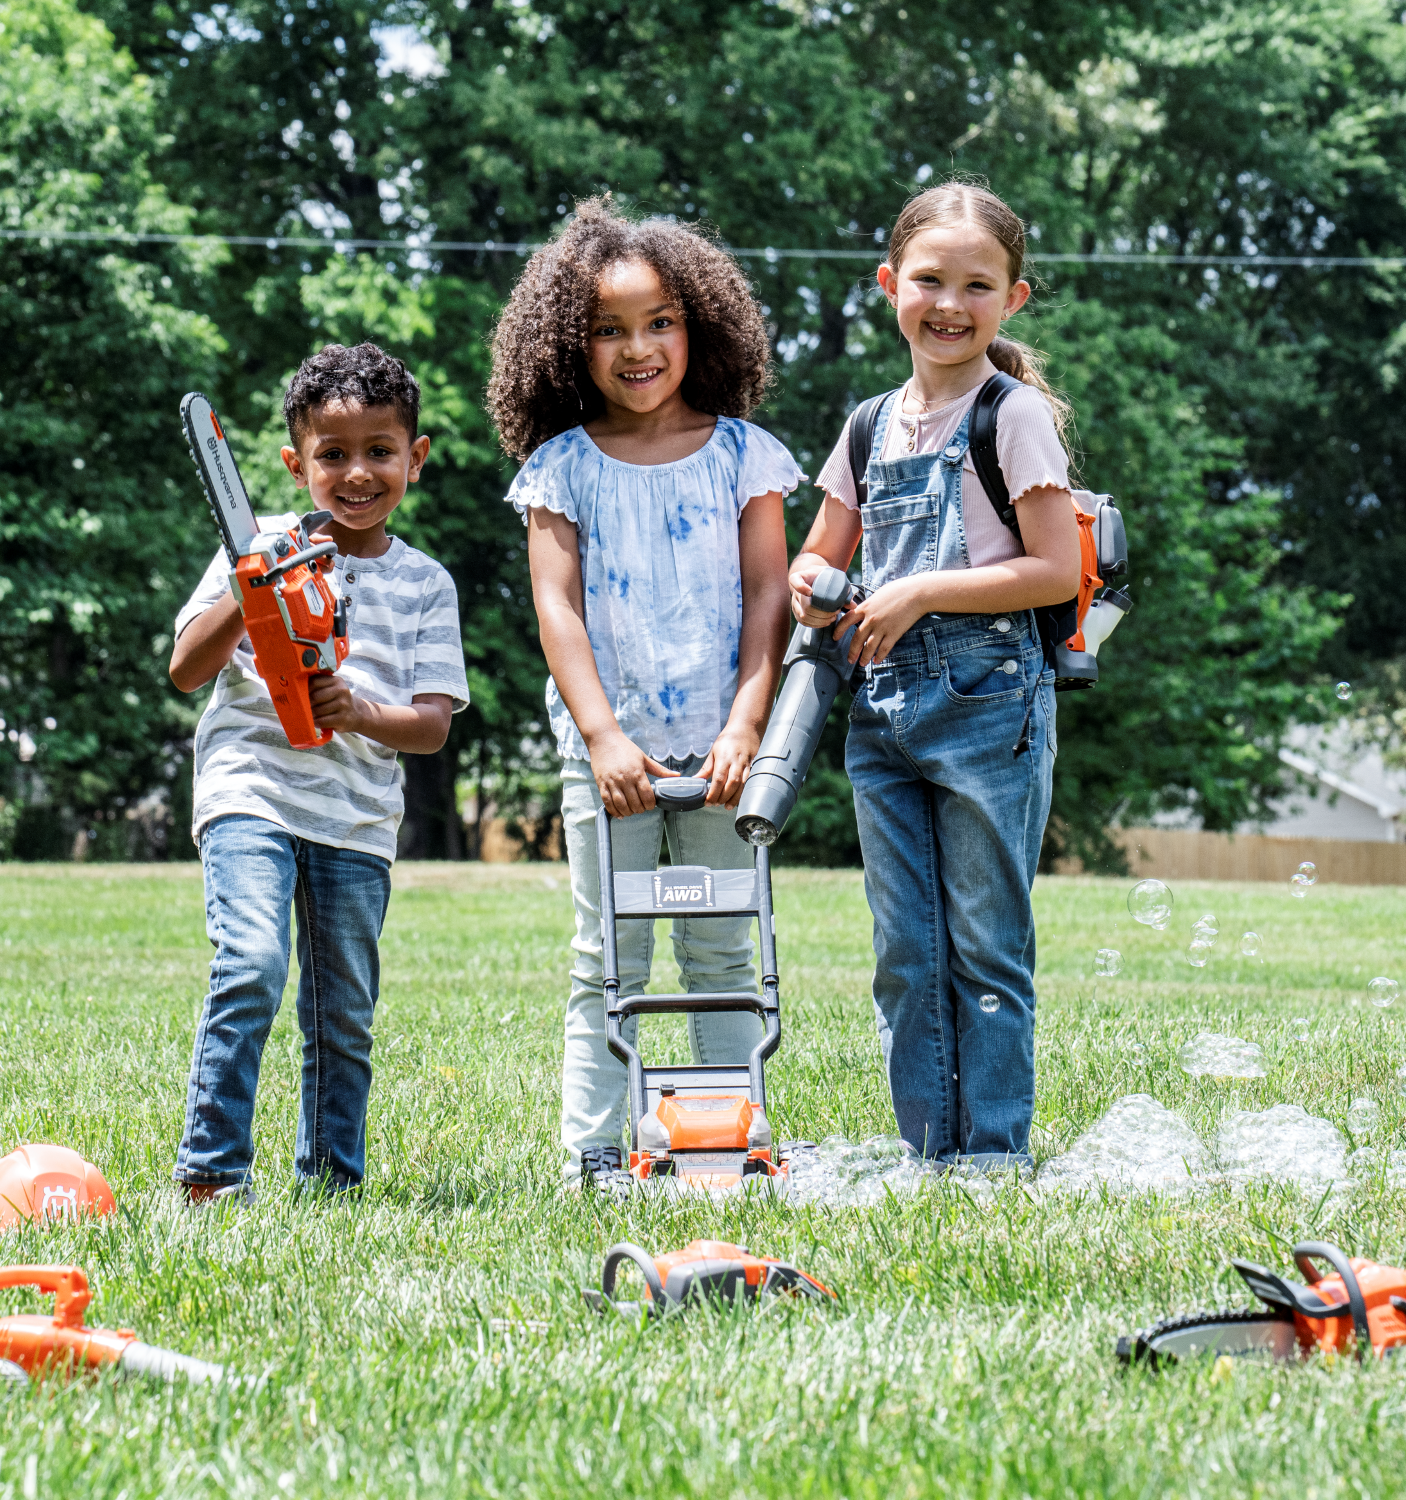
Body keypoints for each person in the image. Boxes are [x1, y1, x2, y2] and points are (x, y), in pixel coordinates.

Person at [488, 196, 798, 1194]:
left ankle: (718, 1139)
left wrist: (747, 723)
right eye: (608, 330)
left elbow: (767, 599)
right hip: (607, 750)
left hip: (723, 752)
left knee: (720, 951)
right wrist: (603, 738)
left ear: (698, 327)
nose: (638, 347)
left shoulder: (747, 454)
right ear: (566, 350)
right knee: (605, 958)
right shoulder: (560, 470)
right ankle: (593, 1149)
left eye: (659, 321)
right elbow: (559, 610)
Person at [790, 181, 1082, 1168]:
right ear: (888, 286)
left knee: (984, 948)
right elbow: (820, 552)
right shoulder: (870, 424)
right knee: (909, 958)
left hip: (990, 700)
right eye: (928, 280)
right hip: (882, 708)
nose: (950, 304)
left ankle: (993, 1157)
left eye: (977, 285)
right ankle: (930, 1155)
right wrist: (813, 585)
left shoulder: (1014, 415)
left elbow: (1054, 570)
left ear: (1014, 300)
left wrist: (915, 593)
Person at [166, 343, 468, 1201]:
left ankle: (332, 1181)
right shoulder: (255, 542)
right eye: (332, 455)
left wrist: (359, 712)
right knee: (253, 962)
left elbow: (432, 726)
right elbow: (187, 669)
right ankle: (212, 1173)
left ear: (415, 456)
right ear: (297, 463)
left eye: (379, 450)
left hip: (355, 815)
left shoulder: (424, 584)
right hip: (250, 790)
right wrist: (247, 586)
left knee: (341, 1011)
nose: (357, 472)